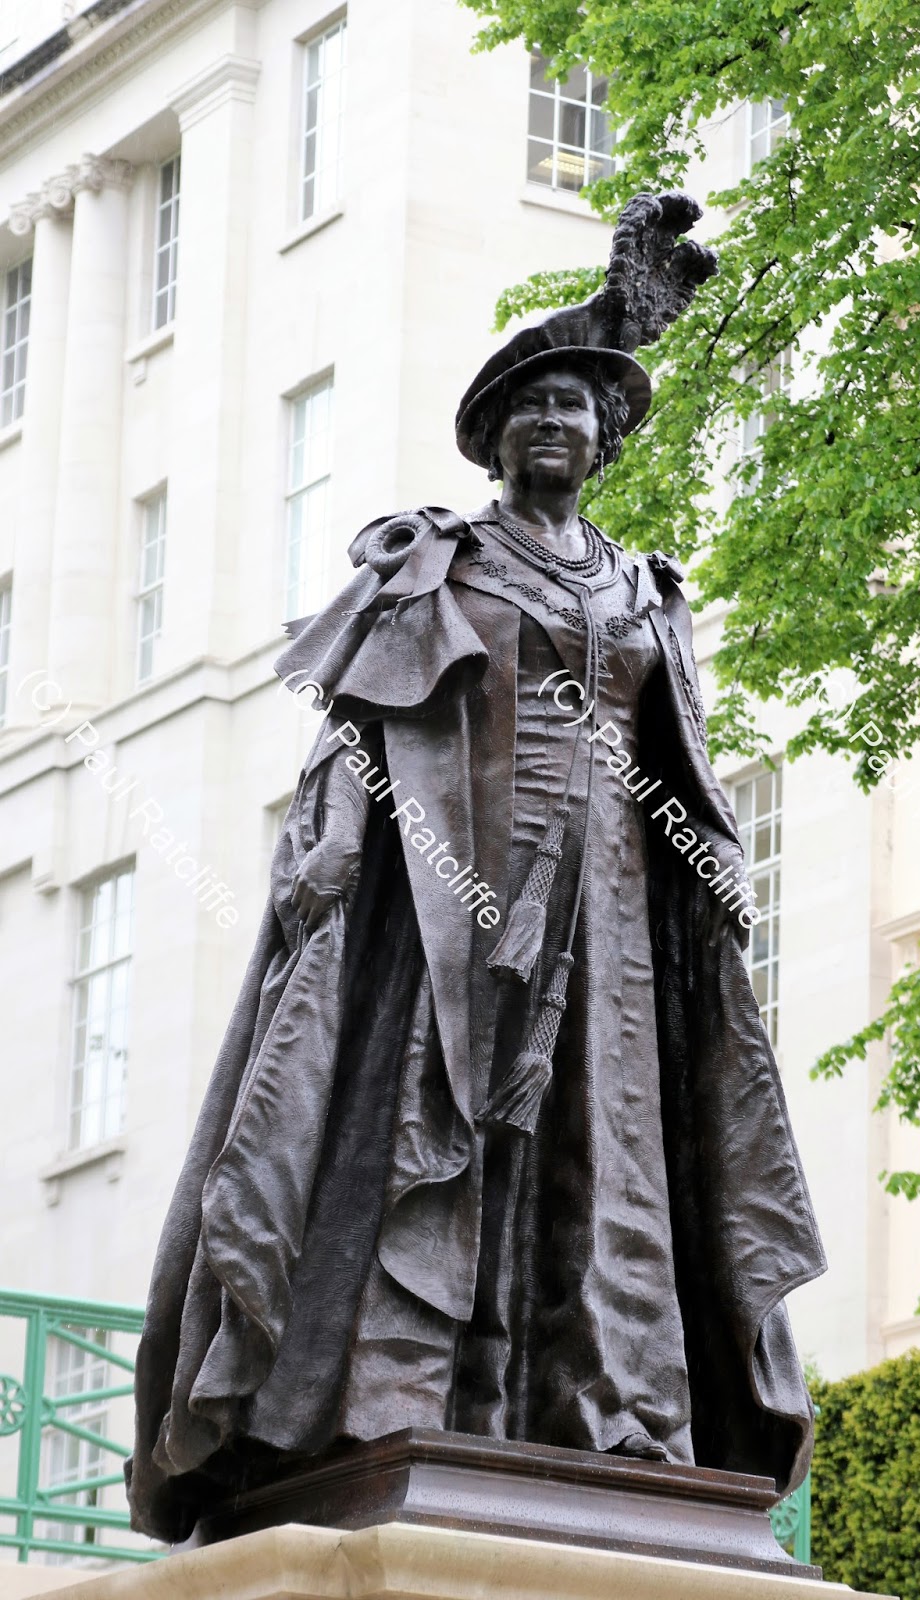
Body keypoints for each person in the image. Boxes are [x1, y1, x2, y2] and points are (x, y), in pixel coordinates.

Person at [126, 194, 825, 1545]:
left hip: (614, 921)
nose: (558, 426)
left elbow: (673, 755)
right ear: (496, 439)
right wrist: (331, 842)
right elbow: (359, 726)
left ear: (606, 444)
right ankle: (403, 1397)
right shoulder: (438, 558)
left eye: (580, 410)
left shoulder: (643, 589)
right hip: (450, 900)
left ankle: (603, 1414)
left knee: (606, 1151)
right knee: (424, 1133)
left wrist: (711, 873)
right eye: (534, 408)